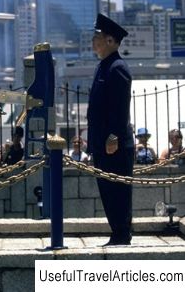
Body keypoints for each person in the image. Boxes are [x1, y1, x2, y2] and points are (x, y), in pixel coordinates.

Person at [86, 13, 134, 246]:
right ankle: (117, 232)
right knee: (107, 190)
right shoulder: (103, 67)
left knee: (118, 191)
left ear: (111, 41)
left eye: (98, 37)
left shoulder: (117, 68)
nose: (93, 41)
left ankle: (122, 234)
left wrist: (114, 135)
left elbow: (120, 107)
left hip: (114, 144)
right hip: (101, 144)